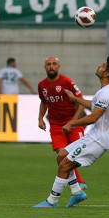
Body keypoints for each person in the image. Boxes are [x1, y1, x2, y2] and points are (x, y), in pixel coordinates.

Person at [34, 56, 109, 208]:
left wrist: (73, 123)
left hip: (97, 140)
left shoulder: (107, 93)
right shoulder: (106, 90)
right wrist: (75, 99)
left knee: (65, 165)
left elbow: (94, 117)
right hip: (93, 136)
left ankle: (51, 201)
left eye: (102, 66)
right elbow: (92, 104)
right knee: (61, 157)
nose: (99, 66)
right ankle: (76, 192)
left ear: (107, 73)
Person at [38, 56, 87, 190]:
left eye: (54, 64)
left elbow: (81, 101)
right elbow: (43, 102)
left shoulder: (67, 82)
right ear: (45, 67)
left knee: (75, 156)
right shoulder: (42, 85)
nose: (51, 66)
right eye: (48, 64)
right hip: (56, 126)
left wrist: (73, 122)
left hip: (72, 125)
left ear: (59, 66)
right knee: (63, 156)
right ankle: (78, 185)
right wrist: (40, 118)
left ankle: (77, 186)